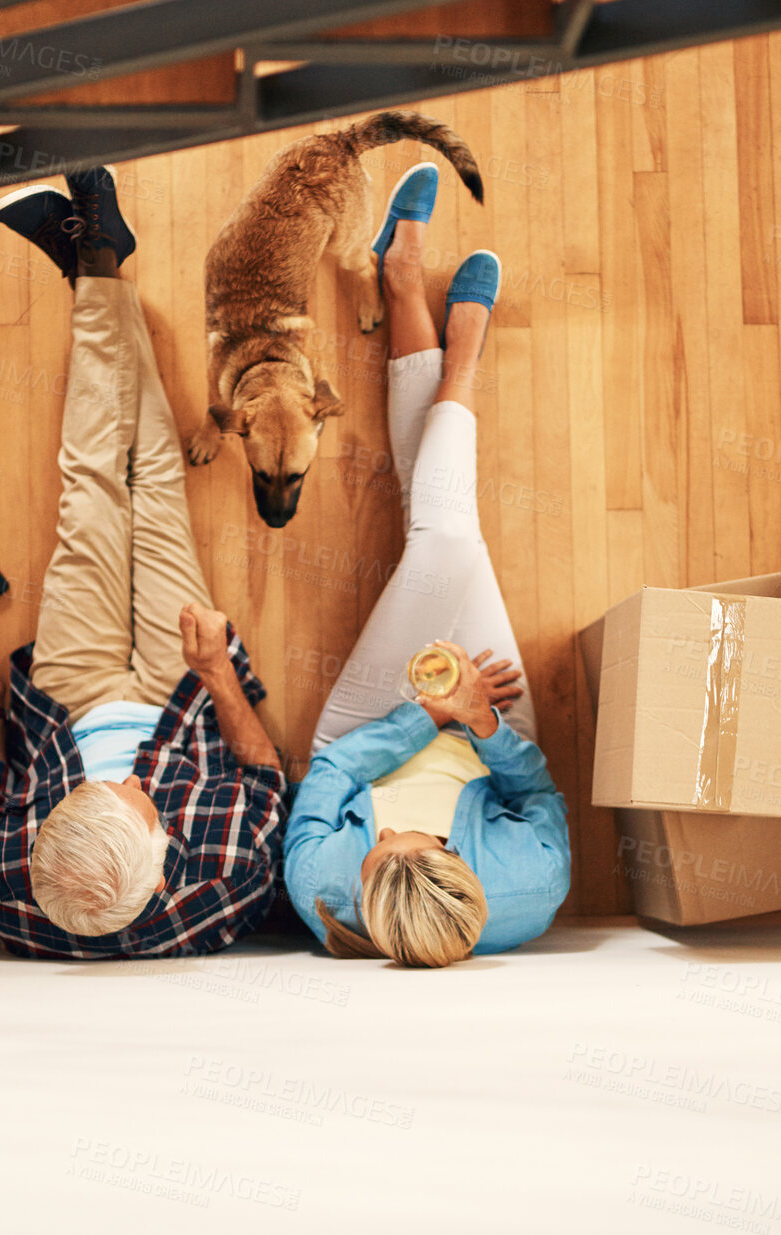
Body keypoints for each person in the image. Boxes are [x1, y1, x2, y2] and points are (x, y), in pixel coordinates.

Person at [0, 168, 287, 959]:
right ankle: (94, 266)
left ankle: (96, 267)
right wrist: (218, 676)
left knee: (94, 486)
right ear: (167, 860)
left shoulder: (5, 886)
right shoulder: (224, 879)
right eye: (141, 799)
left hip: (70, 700)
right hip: (186, 690)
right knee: (154, 487)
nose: (134, 777)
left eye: (110, 788)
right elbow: (266, 775)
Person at [283, 163, 572, 968]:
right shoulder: (528, 888)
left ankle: (457, 362)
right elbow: (535, 796)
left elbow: (331, 776)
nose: (404, 831)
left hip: (371, 723)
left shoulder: (324, 893)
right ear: (464, 872)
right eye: (430, 842)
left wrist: (426, 718)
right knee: (443, 531)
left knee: (442, 542)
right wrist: (477, 719)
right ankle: (411, 295)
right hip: (493, 725)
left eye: (381, 849)